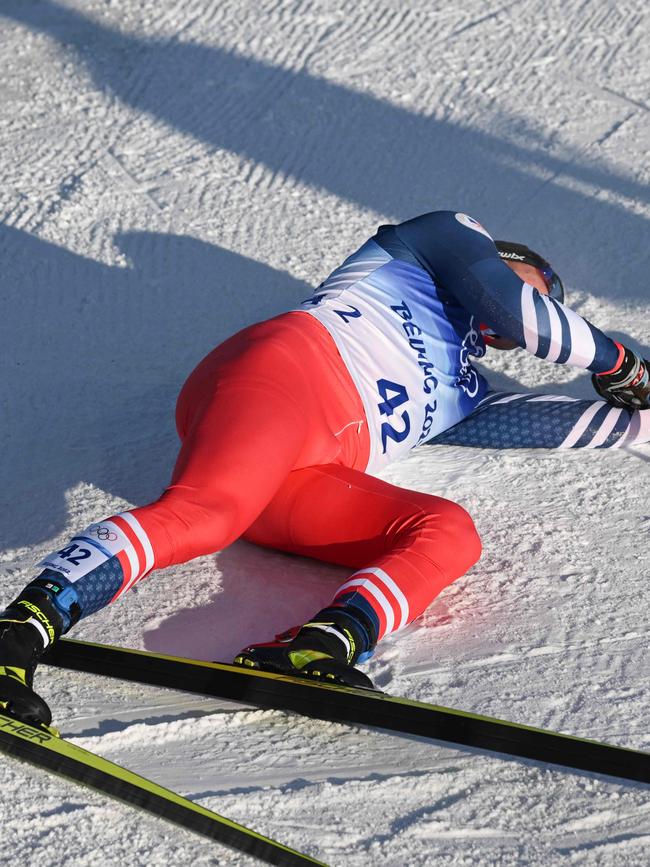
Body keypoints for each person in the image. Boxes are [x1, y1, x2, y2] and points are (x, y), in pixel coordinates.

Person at [2, 211, 649, 727]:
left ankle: (319, 645)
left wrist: (639, 419)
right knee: (206, 514)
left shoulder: (465, 388)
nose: (549, 308)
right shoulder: (442, 239)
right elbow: (516, 307)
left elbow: (537, 423)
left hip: (310, 468)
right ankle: (20, 629)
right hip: (285, 377)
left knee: (449, 530)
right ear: (514, 261)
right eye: (549, 290)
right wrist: (619, 359)